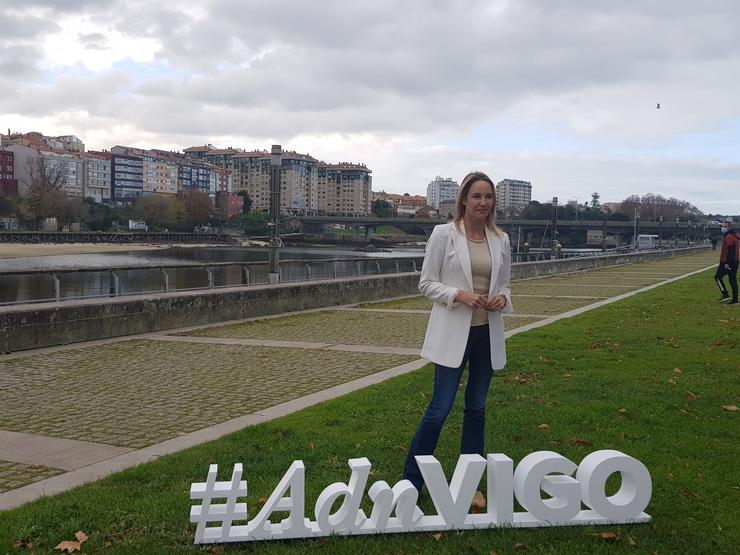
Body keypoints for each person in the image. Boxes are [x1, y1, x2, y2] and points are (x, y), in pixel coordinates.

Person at [403, 171, 512, 507]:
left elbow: (506, 285)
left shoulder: (501, 239)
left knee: (476, 408)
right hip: (453, 333)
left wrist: (502, 299)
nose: (483, 202)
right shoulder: (443, 235)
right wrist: (459, 295)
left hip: (485, 334)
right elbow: (426, 283)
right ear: (463, 199)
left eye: (489, 197)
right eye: (477, 196)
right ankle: (410, 481)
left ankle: (470, 484)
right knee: (440, 408)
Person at [716, 221, 739, 304]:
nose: (723, 228)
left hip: (727, 261)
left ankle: (725, 294)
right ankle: (735, 299)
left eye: (724, 226)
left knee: (718, 277)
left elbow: (730, 251)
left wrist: (727, 263)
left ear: (729, 227)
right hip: (735, 261)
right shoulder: (735, 236)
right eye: (722, 226)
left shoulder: (729, 237)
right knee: (732, 280)